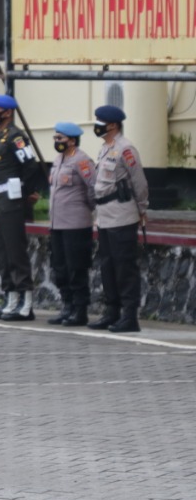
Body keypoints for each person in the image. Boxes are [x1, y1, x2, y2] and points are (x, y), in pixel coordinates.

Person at [89, 104, 149, 333]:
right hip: (105, 217)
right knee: (108, 267)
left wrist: (142, 209)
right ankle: (112, 311)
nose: (96, 125)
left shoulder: (126, 149)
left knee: (125, 267)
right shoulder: (105, 148)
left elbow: (139, 183)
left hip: (122, 216)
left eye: (99, 121)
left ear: (112, 125)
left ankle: (129, 316)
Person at [0, 93, 42, 321]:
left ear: (7, 112)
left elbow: (30, 166)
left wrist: (26, 192)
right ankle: (9, 300)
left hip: (10, 200)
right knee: (2, 252)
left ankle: (25, 304)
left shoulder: (16, 137)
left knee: (15, 252)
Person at [46, 121, 95, 327]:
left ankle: (80, 310)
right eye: (55, 138)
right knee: (60, 268)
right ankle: (67, 306)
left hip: (76, 224)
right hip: (57, 224)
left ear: (72, 140)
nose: (56, 142)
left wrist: (88, 210)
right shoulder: (58, 160)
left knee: (76, 268)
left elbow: (93, 187)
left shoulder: (82, 160)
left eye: (60, 138)